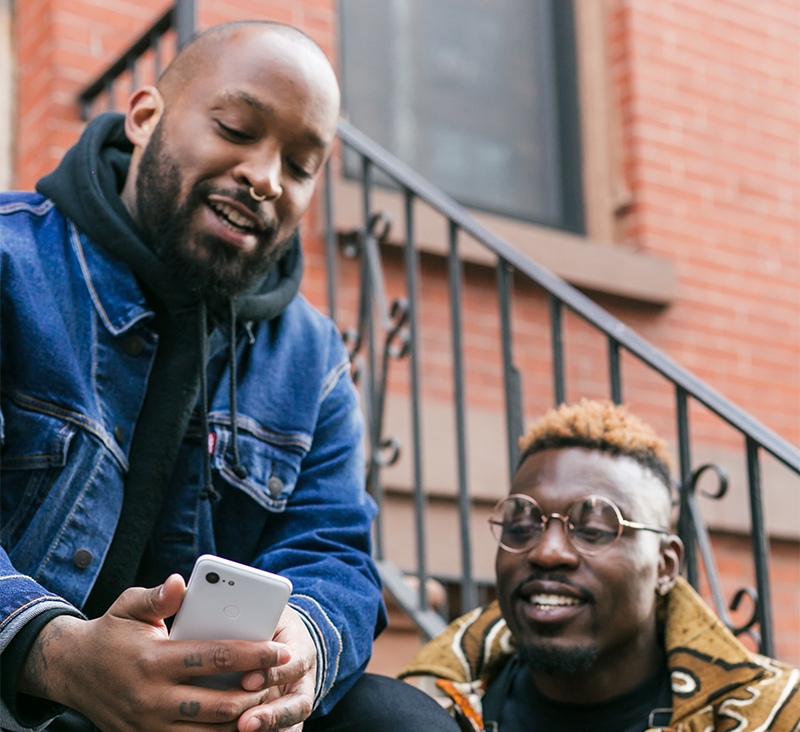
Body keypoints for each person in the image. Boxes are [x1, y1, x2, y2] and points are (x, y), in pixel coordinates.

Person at [0, 20, 460, 732]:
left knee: (400, 721)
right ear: (147, 117)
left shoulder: (311, 357)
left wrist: (301, 648)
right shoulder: (11, 264)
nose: (266, 178)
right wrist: (55, 652)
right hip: (23, 695)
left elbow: (334, 552)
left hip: (212, 712)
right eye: (238, 129)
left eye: (301, 166)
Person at [400, 400, 800, 731]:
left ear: (665, 565)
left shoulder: (772, 716)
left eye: (593, 529)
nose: (548, 552)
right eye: (522, 524)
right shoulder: (429, 708)